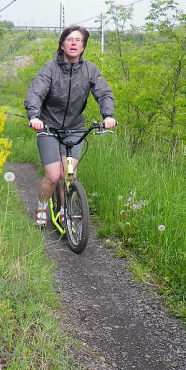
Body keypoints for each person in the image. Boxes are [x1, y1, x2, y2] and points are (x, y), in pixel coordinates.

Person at [25, 25, 116, 227]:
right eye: (69, 39)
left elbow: (104, 94)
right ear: (62, 44)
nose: (74, 43)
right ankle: (41, 207)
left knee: (69, 175)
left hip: (74, 128)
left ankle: (65, 209)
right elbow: (35, 93)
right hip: (48, 127)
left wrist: (108, 116)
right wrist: (34, 116)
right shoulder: (50, 68)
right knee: (53, 176)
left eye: (78, 40)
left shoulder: (90, 69)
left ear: (83, 47)